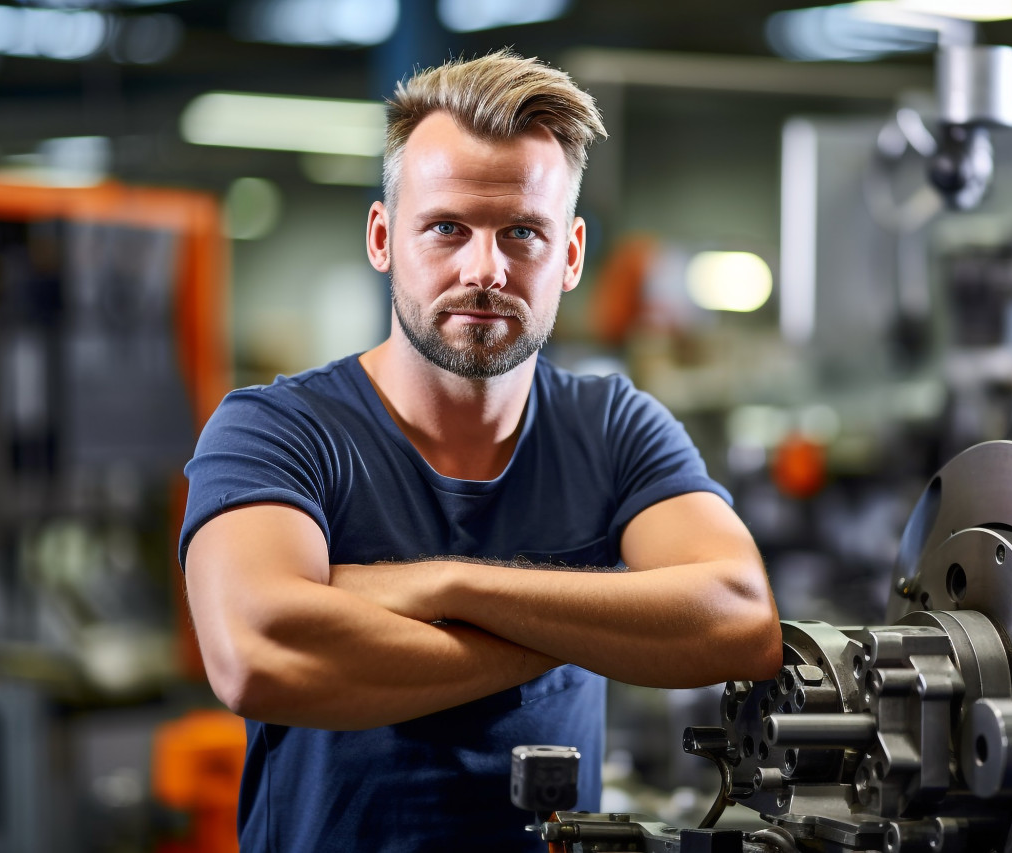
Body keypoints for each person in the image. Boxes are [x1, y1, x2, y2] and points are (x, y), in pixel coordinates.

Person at [180, 49, 785, 852]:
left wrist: (445, 583)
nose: (485, 268)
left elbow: (739, 621)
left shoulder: (612, 426)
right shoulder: (278, 429)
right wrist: (593, 619)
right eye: (447, 228)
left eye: (523, 233)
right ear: (384, 237)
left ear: (569, 255)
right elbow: (258, 654)